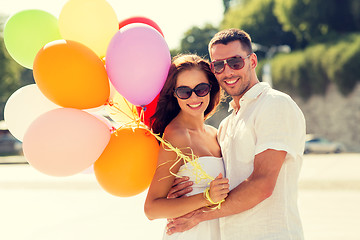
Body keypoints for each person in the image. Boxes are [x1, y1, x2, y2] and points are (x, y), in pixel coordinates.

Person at [166, 29, 306, 239]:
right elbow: (219, 182)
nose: (228, 71)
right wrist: (183, 190)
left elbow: (262, 184)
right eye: (219, 65)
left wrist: (197, 215)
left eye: (235, 62)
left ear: (252, 61)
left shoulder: (274, 104)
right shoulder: (226, 124)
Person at [144, 54, 230, 240]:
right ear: (174, 94)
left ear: (211, 89)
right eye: (184, 91)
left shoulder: (215, 133)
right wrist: (206, 197)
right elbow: (151, 209)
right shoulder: (176, 135)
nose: (194, 97)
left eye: (201, 89)